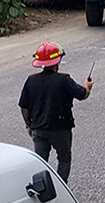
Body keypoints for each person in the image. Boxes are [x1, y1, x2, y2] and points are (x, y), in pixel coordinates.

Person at [18, 43, 93, 183]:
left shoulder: (31, 80)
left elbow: (24, 107)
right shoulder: (64, 80)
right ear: (57, 61)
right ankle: (60, 186)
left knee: (40, 162)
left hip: (38, 129)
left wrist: (29, 125)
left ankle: (41, 188)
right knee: (64, 159)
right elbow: (82, 94)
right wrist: (87, 87)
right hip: (61, 130)